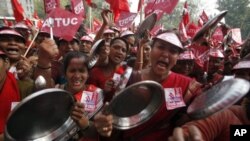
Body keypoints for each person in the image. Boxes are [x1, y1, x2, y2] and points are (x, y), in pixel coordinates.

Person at [94, 30, 202, 141]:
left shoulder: (187, 85)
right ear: (151, 50)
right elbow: (110, 118)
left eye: (173, 51)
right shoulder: (128, 79)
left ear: (177, 58)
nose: (165, 54)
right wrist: (104, 125)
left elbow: (203, 117)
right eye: (160, 47)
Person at [168, 54, 250, 141]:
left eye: (189, 63)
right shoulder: (222, 115)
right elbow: (192, 131)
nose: (186, 67)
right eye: (242, 74)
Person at [88, 37, 129, 102]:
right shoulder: (94, 72)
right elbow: (89, 102)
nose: (120, 52)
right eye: (116, 47)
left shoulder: (126, 72)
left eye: (123, 50)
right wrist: (103, 91)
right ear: (108, 49)